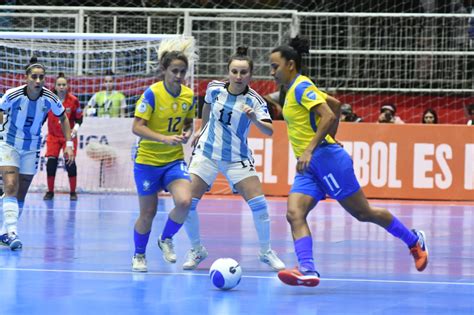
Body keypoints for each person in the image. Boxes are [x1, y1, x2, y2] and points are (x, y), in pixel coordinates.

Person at [269, 37, 428, 287]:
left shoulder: (301, 86)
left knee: (364, 213)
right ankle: (307, 269)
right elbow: (335, 103)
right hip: (309, 167)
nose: (272, 72)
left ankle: (413, 240)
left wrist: (314, 147)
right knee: (294, 213)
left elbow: (329, 113)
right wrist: (325, 140)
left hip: (326, 159)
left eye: (275, 66)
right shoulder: (292, 90)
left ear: (290, 64)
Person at [181, 47, 285, 271]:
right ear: (228, 72)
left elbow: (269, 131)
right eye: (234, 71)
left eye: (243, 72)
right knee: (187, 203)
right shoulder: (214, 88)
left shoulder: (255, 100)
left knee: (259, 204)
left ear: (251, 75)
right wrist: (202, 127)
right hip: (207, 153)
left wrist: (254, 118)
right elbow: (207, 105)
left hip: (236, 157)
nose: (238, 76)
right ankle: (197, 249)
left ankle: (266, 252)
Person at [131, 37, 198, 272]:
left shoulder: (188, 96)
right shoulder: (152, 94)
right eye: (174, 71)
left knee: (185, 202)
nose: (178, 76)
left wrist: (188, 133)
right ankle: (139, 255)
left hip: (173, 160)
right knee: (147, 213)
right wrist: (164, 138)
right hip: (148, 162)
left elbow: (188, 122)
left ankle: (166, 238)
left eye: (182, 72)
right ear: (164, 70)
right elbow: (137, 127)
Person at [0, 56, 74, 250]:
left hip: (31, 147)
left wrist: (69, 143)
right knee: (10, 184)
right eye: (34, 77)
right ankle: (13, 232)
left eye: (41, 77)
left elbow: (63, 118)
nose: (38, 81)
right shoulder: (13, 94)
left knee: (21, 193)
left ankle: (3, 232)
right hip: (9, 144)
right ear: (26, 77)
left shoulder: (50, 98)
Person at [43, 73, 83, 201]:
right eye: (59, 85)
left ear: (67, 86)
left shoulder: (73, 100)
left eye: (63, 85)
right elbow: (42, 118)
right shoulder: (49, 101)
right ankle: (50, 191)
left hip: (68, 137)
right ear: (55, 86)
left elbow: (79, 119)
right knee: (51, 163)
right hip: (53, 137)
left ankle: (72, 192)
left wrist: (74, 130)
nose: (61, 87)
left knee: (70, 163)